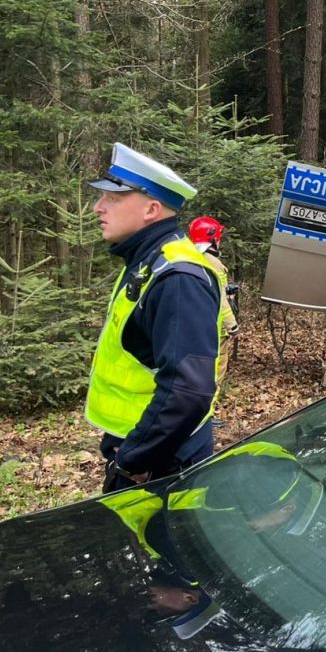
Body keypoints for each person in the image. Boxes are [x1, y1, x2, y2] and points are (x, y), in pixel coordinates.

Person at [87, 143, 225, 492]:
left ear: (151, 209)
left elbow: (189, 389)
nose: (98, 207)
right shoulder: (146, 262)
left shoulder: (177, 278)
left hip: (160, 464)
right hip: (148, 452)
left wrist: (134, 460)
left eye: (113, 199)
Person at [188, 216, 240, 385]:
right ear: (213, 238)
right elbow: (220, 299)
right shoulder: (213, 263)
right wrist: (232, 326)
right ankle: (208, 406)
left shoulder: (189, 257)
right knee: (216, 370)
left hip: (193, 325)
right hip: (214, 329)